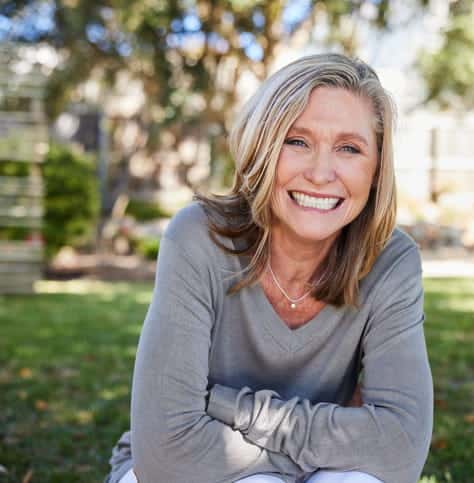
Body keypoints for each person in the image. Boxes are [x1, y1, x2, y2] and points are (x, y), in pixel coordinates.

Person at [104, 53, 433, 483]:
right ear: (262, 148)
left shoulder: (390, 260)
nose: (320, 173)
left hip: (296, 460)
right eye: (297, 142)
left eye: (349, 148)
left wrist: (229, 406)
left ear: (375, 171)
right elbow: (168, 453)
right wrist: (336, 447)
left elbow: (401, 448)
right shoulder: (199, 237)